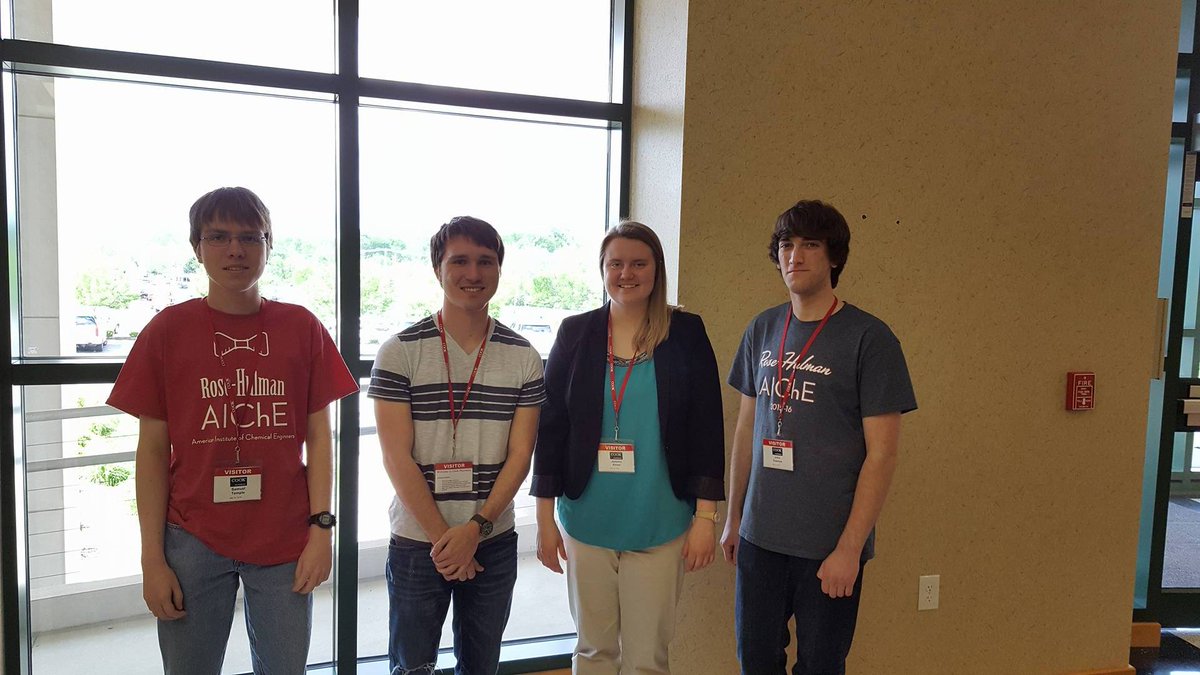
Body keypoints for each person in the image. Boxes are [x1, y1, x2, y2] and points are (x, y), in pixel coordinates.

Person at [107, 186, 358, 674]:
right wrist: (152, 560)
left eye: (250, 237)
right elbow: (152, 453)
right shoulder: (167, 331)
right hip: (192, 537)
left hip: (284, 536)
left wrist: (322, 530)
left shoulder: (301, 327)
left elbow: (320, 442)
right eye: (218, 236)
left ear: (269, 246)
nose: (235, 250)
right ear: (196, 246)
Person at [720, 200, 917, 675]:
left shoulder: (870, 338)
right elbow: (747, 428)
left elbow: (883, 454)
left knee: (821, 666)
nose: (795, 256)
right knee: (756, 661)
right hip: (760, 537)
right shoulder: (762, 328)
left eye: (810, 244)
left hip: (828, 546)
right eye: (786, 245)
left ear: (834, 257)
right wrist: (733, 517)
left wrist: (849, 549)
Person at [531, 221, 726, 675]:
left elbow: (706, 428)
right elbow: (552, 428)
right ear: (601, 270)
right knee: (593, 651)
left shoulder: (685, 333)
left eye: (639, 263)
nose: (626, 273)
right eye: (615, 263)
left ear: (656, 269)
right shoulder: (575, 333)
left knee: (647, 660)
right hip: (586, 521)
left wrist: (705, 517)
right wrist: (543, 519)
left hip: (660, 520)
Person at [369, 216, 545, 675]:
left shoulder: (523, 356)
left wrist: (475, 530)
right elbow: (395, 457)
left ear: (499, 269)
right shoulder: (400, 351)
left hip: (492, 539)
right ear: (437, 268)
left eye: (485, 261)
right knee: (412, 666)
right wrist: (444, 540)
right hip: (417, 541)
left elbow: (520, 456)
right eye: (460, 261)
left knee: (481, 664)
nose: (473, 273)